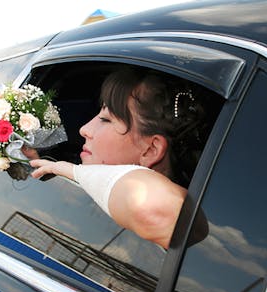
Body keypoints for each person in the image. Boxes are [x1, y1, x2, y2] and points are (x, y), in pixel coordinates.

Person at [29, 67, 214, 249]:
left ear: (151, 150)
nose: (84, 129)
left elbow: (156, 212)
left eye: (106, 120)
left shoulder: (174, 213)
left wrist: (74, 172)